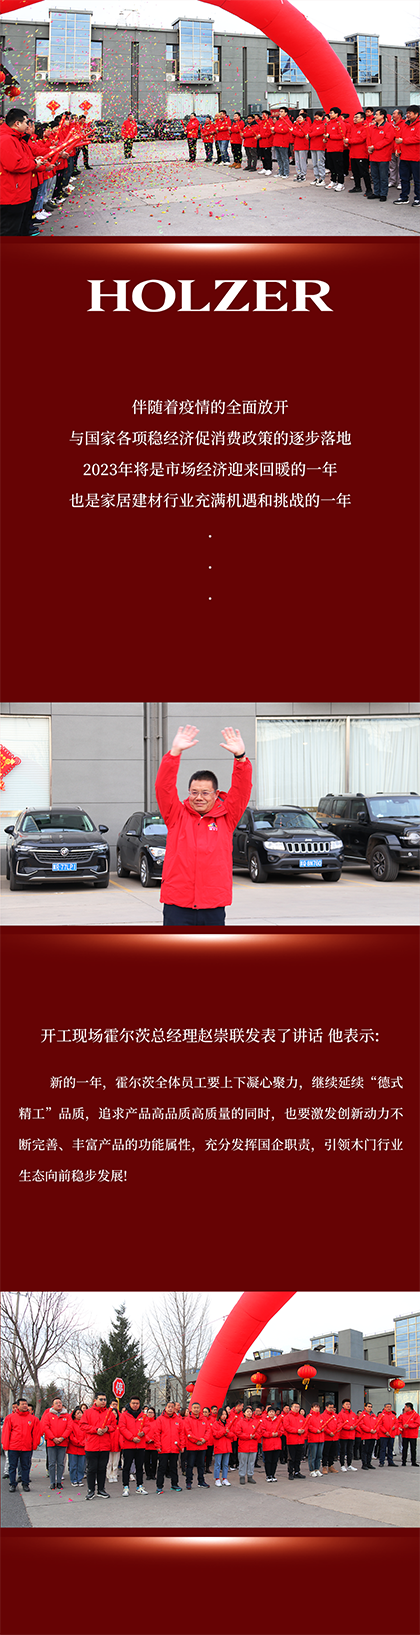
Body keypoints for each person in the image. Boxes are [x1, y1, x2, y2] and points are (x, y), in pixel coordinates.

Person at [155, 723, 252, 926]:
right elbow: (163, 787)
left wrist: (241, 758)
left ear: (216, 794)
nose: (199, 797)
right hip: (177, 904)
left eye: (205, 793)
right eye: (194, 792)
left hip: (212, 904)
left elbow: (241, 790)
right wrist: (174, 754)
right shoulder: (176, 815)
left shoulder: (227, 817)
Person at [2, 1398, 42, 1493]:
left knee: (25, 1466)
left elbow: (36, 1433)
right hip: (13, 1447)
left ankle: (25, 1483)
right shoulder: (10, 1418)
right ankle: (12, 1484)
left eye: (26, 1404)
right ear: (18, 1406)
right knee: (12, 1466)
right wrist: (5, 1445)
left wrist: (35, 1445)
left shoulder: (33, 1419)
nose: (25, 1406)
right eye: (22, 1404)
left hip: (26, 1447)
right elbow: (6, 1432)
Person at [81, 1395, 117, 1499]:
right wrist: (95, 1430)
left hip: (105, 1445)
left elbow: (114, 1426)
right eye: (101, 1399)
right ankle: (91, 1490)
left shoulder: (109, 1413)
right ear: (95, 1400)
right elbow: (83, 1425)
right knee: (91, 1469)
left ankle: (101, 1489)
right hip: (92, 1445)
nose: (103, 1401)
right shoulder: (88, 1413)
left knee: (102, 1468)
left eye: (105, 1399)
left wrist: (107, 1428)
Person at [40, 1397, 72, 1491]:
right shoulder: (48, 1415)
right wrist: (53, 1438)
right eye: (56, 1403)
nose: (59, 1404)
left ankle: (59, 1482)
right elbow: (46, 1427)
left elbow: (69, 1428)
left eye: (60, 1402)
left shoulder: (67, 1416)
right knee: (52, 1463)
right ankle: (52, 1482)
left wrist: (62, 1437)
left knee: (61, 1463)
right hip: (51, 1442)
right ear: (53, 1405)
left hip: (63, 1442)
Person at [118, 1397, 148, 1495]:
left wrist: (143, 1432)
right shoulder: (124, 1415)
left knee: (139, 1467)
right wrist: (131, 1438)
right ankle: (125, 1487)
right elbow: (122, 1428)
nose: (135, 1405)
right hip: (128, 1445)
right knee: (127, 1467)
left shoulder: (143, 1415)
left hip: (140, 1445)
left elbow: (147, 1426)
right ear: (130, 1404)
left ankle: (140, 1486)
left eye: (137, 1403)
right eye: (133, 1403)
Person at [394, 108, 420, 206]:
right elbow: (399, 138)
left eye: (410, 113)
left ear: (416, 114)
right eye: (407, 113)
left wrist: (403, 140)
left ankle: (418, 198)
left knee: (417, 179)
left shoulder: (418, 124)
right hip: (404, 156)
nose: (407, 115)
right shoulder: (405, 125)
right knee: (404, 178)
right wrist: (397, 148)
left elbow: (418, 138)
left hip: (416, 157)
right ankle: (404, 197)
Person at [366, 108, 394, 201]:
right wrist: (369, 147)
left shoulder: (389, 126)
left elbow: (388, 139)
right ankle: (376, 192)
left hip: (383, 155)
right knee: (374, 176)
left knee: (383, 176)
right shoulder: (372, 127)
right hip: (373, 154)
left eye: (376, 114)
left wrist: (374, 146)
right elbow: (368, 138)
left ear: (382, 116)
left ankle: (383, 194)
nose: (374, 116)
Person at [345, 111, 372, 197]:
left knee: (364, 173)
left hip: (361, 154)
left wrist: (349, 141)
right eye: (354, 117)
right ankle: (357, 187)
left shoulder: (365, 127)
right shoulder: (353, 127)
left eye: (357, 117)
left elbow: (361, 139)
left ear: (362, 119)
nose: (354, 119)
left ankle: (369, 189)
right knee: (355, 172)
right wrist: (347, 142)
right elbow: (350, 137)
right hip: (353, 153)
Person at [232, 1404, 261, 1484]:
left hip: (253, 1446)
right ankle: (242, 1476)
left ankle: (250, 1476)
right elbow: (238, 1433)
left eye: (250, 1412)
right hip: (243, 1446)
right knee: (243, 1462)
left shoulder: (255, 1422)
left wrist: (254, 1436)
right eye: (247, 1411)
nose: (249, 1413)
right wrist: (248, 1436)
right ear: (244, 1413)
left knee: (251, 1462)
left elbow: (259, 1432)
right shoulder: (240, 1422)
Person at [183, 1402, 210, 1488]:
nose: (196, 1409)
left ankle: (201, 1481)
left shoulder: (204, 1419)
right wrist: (196, 1441)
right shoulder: (187, 1419)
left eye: (197, 1408)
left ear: (200, 1409)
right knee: (190, 1465)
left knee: (201, 1465)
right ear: (191, 1409)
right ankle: (188, 1482)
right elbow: (188, 1432)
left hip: (202, 1446)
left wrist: (204, 1440)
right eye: (194, 1408)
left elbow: (208, 1430)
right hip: (192, 1446)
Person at [323, 107, 346, 191]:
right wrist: (325, 139)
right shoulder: (328, 123)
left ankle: (341, 183)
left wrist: (330, 136)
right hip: (329, 148)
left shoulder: (340, 123)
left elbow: (341, 136)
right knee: (331, 166)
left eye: (331, 113)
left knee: (338, 166)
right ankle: (333, 181)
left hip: (337, 148)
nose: (330, 114)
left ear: (336, 114)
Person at [284, 1401, 307, 1480]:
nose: (297, 1408)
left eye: (298, 1407)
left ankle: (297, 1471)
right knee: (291, 1458)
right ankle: (290, 1472)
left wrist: (303, 1431)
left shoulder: (301, 1417)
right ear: (291, 1408)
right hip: (291, 1441)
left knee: (298, 1458)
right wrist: (296, 1431)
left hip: (300, 1440)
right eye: (295, 1407)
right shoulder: (287, 1417)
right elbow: (286, 1427)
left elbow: (305, 1426)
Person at [261, 1405, 283, 1482]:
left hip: (277, 1444)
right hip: (268, 1444)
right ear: (267, 1413)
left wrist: (278, 1433)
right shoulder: (264, 1421)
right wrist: (271, 1434)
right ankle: (268, 1475)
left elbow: (282, 1430)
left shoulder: (278, 1421)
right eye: (270, 1412)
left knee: (275, 1461)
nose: (271, 1413)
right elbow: (262, 1432)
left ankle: (273, 1475)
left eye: (273, 1412)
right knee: (268, 1460)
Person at [67, 1407, 87, 1487]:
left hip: (83, 1448)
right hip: (73, 1448)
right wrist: (78, 1442)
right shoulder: (71, 1424)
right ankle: (73, 1479)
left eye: (81, 1413)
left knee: (81, 1466)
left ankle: (79, 1479)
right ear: (74, 1415)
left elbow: (87, 1434)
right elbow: (71, 1436)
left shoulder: (85, 1424)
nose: (80, 1415)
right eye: (78, 1413)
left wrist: (83, 1443)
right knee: (73, 1465)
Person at [212, 1408, 232, 1485]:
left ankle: (224, 1478)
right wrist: (224, 1432)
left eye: (225, 1414)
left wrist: (227, 1433)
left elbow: (232, 1434)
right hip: (219, 1446)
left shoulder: (229, 1423)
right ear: (219, 1415)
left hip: (227, 1446)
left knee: (226, 1464)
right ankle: (217, 1479)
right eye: (223, 1414)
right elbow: (216, 1435)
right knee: (218, 1464)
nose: (224, 1416)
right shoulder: (215, 1424)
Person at [272, 107, 293, 178]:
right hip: (277, 142)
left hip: (283, 142)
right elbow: (276, 130)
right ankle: (280, 172)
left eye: (282, 111)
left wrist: (275, 129)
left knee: (284, 158)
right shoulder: (278, 121)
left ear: (286, 113)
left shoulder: (287, 121)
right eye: (280, 111)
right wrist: (273, 130)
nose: (280, 113)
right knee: (279, 159)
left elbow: (284, 130)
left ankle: (286, 173)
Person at [337, 1399, 358, 1471]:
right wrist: (349, 1427)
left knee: (350, 1451)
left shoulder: (353, 1414)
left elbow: (356, 1422)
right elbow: (340, 1424)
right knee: (343, 1451)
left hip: (351, 1435)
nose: (348, 1405)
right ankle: (342, 1465)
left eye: (349, 1404)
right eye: (346, 1404)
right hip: (343, 1435)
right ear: (343, 1405)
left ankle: (349, 1465)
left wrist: (354, 1426)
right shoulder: (340, 1414)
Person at [305, 1403, 324, 1476]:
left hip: (321, 1439)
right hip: (313, 1439)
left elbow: (325, 1424)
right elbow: (308, 1426)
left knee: (319, 1455)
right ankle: (312, 1470)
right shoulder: (309, 1416)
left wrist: (323, 1429)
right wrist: (316, 1430)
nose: (317, 1409)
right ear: (312, 1408)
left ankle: (317, 1469)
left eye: (318, 1407)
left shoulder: (321, 1416)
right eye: (315, 1407)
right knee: (312, 1456)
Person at [376, 1403, 398, 1467]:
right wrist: (385, 1432)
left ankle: (390, 1461)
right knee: (383, 1449)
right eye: (387, 1407)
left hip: (391, 1435)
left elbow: (397, 1423)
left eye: (390, 1407)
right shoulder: (381, 1415)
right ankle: (382, 1462)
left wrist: (394, 1427)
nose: (389, 1408)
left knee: (390, 1449)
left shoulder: (393, 1415)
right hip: (383, 1435)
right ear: (384, 1408)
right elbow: (379, 1425)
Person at [321, 1403, 340, 1474]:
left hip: (335, 1437)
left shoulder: (335, 1415)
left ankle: (331, 1466)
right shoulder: (323, 1416)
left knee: (332, 1453)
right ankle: (324, 1466)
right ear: (326, 1407)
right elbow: (323, 1425)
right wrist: (329, 1432)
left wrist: (336, 1430)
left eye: (332, 1407)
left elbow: (339, 1423)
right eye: (330, 1407)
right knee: (326, 1453)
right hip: (327, 1437)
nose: (331, 1409)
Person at [358, 1403, 379, 1468]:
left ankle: (369, 1463)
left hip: (373, 1436)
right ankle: (364, 1464)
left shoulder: (373, 1415)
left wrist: (375, 1430)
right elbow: (361, 1425)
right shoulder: (362, 1415)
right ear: (365, 1407)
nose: (370, 1408)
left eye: (371, 1407)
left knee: (370, 1450)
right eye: (369, 1406)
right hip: (366, 1436)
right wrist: (369, 1430)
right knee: (365, 1450)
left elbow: (378, 1424)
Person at [292, 112, 311, 182]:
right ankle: (299, 174)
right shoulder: (296, 125)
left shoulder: (306, 125)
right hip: (296, 145)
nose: (299, 119)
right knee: (297, 161)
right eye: (298, 117)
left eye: (300, 118)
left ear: (304, 118)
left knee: (302, 161)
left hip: (303, 146)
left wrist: (293, 131)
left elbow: (302, 134)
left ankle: (303, 174)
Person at [309, 112, 326, 184]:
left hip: (320, 147)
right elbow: (309, 131)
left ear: (322, 117)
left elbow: (319, 132)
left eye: (318, 117)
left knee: (320, 163)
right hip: (313, 146)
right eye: (315, 117)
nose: (316, 119)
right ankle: (317, 177)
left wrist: (310, 135)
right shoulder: (313, 125)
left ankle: (322, 178)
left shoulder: (324, 124)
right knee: (314, 163)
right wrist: (310, 134)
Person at [143, 1407, 159, 1480]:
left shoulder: (156, 1422)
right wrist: (147, 1439)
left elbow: (157, 1432)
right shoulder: (144, 1422)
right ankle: (148, 1474)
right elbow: (142, 1431)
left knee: (154, 1461)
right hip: (146, 1444)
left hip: (154, 1444)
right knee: (146, 1461)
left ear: (154, 1414)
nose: (150, 1414)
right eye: (149, 1412)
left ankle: (153, 1474)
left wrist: (152, 1439)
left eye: (151, 1412)